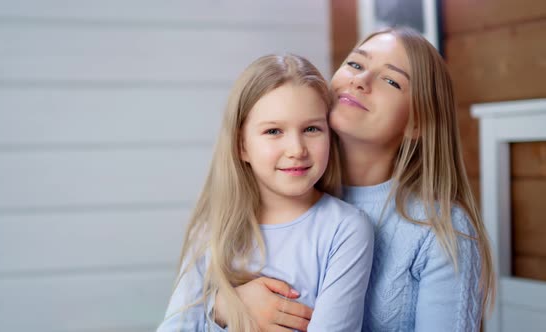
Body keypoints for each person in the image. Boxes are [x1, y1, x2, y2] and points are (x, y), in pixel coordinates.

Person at [211, 27, 496, 331]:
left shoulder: (440, 229)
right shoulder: (279, 188)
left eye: (391, 80)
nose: (360, 80)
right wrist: (224, 305)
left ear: (417, 122)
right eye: (356, 65)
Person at [157, 54, 374, 332]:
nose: (296, 149)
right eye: (274, 131)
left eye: (311, 129)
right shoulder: (213, 228)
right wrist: (222, 307)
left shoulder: (345, 229)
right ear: (241, 146)